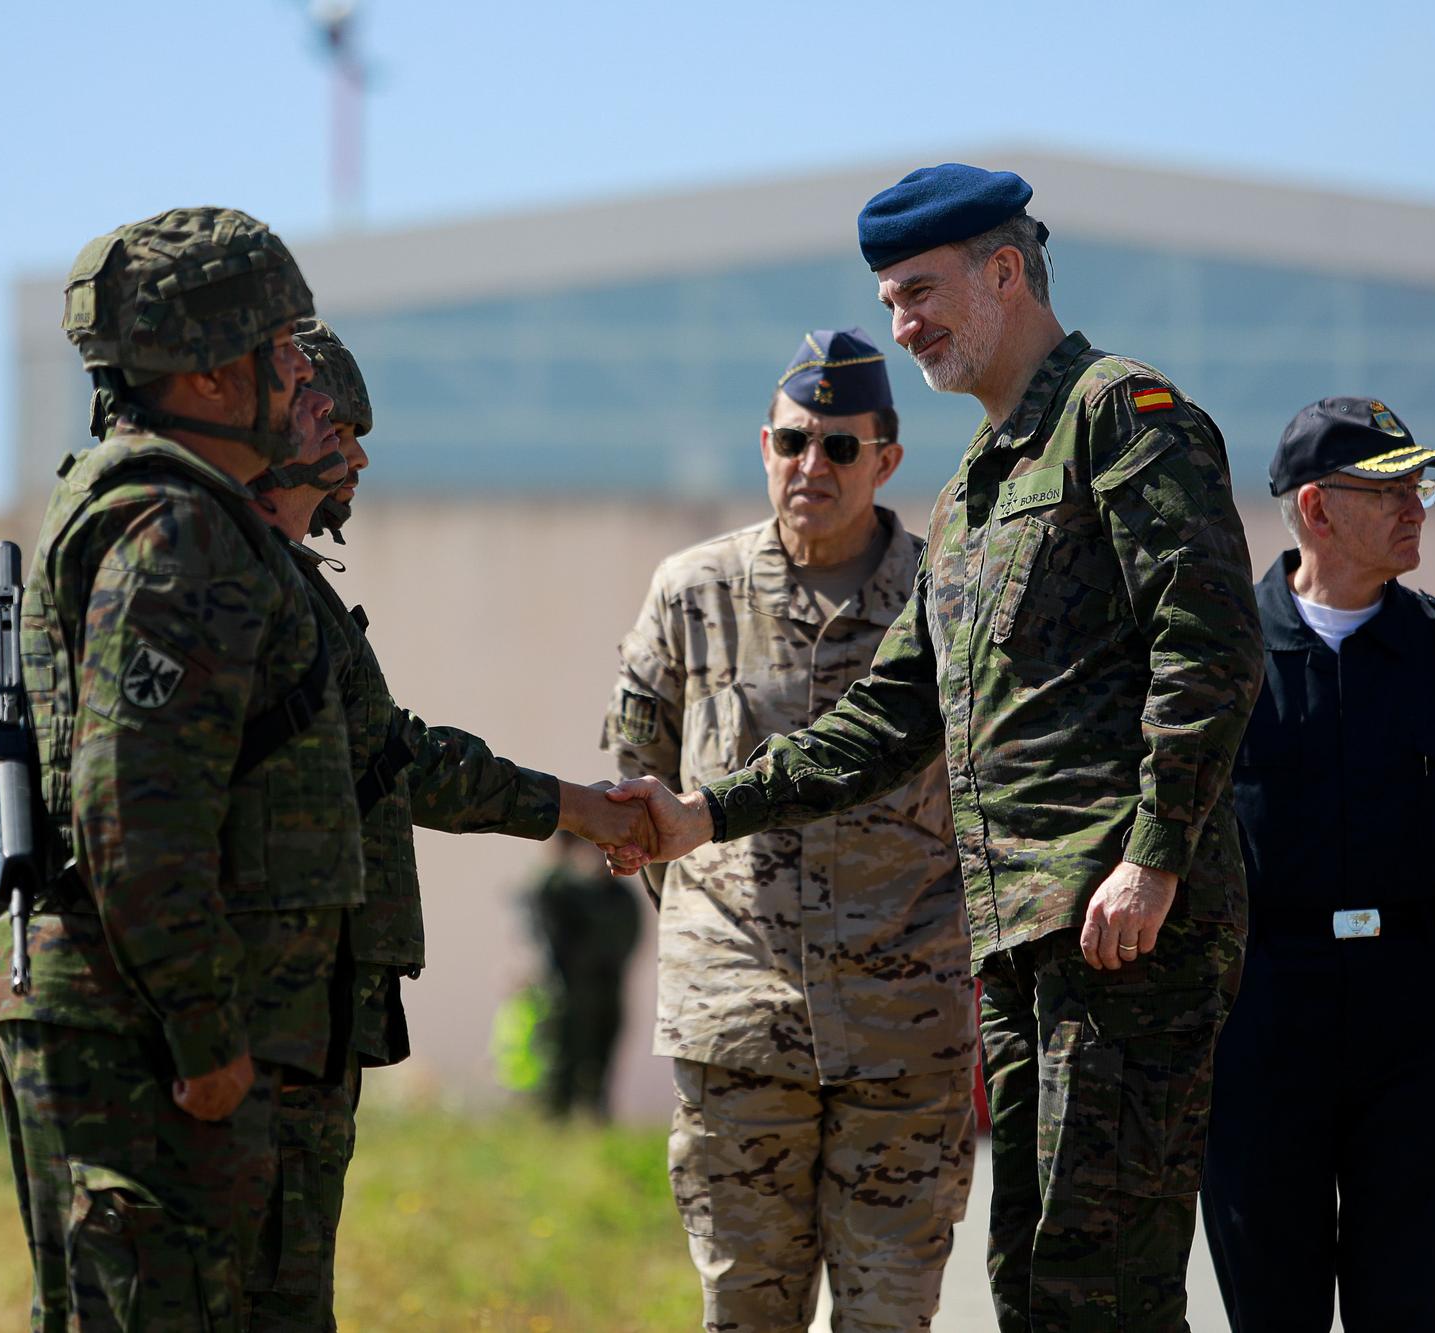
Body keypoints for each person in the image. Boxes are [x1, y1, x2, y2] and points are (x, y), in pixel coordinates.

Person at [609, 164, 1264, 1331]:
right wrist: (709, 813)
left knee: (1098, 1283)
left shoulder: (1120, 417)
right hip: (1018, 946)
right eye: (890, 297)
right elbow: (887, 712)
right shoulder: (974, 486)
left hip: (1120, 934)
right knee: (1031, 1279)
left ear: (1003, 273)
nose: (901, 324)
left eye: (918, 293)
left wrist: (1152, 856)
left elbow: (1207, 645)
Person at [0, 206, 355, 1332]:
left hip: (138, 1023)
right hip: (143, 1046)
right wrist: (203, 1035)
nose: (304, 374)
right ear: (203, 378)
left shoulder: (170, 514)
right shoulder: (174, 532)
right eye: (282, 348)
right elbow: (128, 804)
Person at [243, 317, 652, 1329]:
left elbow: (394, 756)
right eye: (337, 423)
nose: (358, 456)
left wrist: (571, 804)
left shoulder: (286, 588)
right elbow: (398, 761)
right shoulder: (229, 582)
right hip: (251, 1020)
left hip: (293, 1022)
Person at [605, 326, 975, 1332]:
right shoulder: (692, 592)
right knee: (744, 1311)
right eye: (790, 442)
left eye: (839, 447)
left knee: (889, 1315)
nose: (811, 465)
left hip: (905, 1019)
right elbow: (641, 789)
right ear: (762, 446)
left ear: (886, 459)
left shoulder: (940, 600)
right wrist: (713, 928)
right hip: (740, 1019)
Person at [1200, 398, 1435, 1332]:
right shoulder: (1216, 662)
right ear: (1316, 509)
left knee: (1422, 1303)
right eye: (1391, 490)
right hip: (1262, 1020)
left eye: (1420, 487)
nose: (1416, 509)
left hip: (1417, 1020)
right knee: (1270, 1303)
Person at [526, 830, 643, 1120]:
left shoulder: (616, 894)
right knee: (561, 1068)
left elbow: (629, 937)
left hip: (606, 990)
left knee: (600, 1067)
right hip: (567, 993)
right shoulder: (558, 887)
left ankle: (594, 1123)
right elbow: (553, 938)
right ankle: (555, 1126)